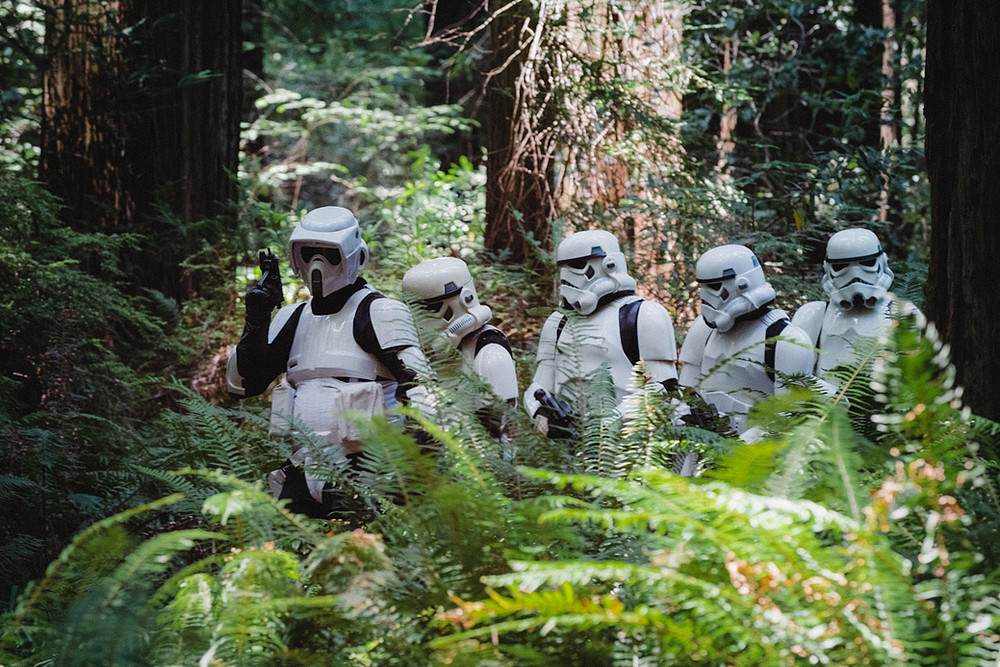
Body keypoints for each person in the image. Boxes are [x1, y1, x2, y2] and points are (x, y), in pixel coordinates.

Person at [227, 206, 431, 517]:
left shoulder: (379, 312)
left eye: (328, 254)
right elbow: (243, 384)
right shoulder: (293, 317)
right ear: (296, 258)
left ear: (356, 257)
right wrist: (257, 321)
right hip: (301, 467)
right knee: (287, 546)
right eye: (309, 253)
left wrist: (415, 464)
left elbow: (422, 388)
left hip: (370, 469)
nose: (317, 264)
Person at [523, 229, 679, 438]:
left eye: (577, 265)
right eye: (563, 268)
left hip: (628, 448)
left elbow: (663, 389)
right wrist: (541, 413)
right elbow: (539, 387)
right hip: (567, 449)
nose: (567, 277)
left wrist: (608, 425)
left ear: (609, 265)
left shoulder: (644, 315)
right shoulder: (558, 322)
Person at [678, 244, 816, 437]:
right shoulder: (703, 330)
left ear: (743, 284)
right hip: (704, 447)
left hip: (758, 452)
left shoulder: (787, 341)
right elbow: (684, 394)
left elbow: (789, 417)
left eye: (714, 286)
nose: (705, 297)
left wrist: (743, 446)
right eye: (703, 287)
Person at [401, 257, 519, 407]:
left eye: (430, 309)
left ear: (465, 298)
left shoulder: (490, 352)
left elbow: (502, 417)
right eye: (416, 310)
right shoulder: (421, 354)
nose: (421, 319)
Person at [792, 228, 905, 375]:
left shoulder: (902, 314)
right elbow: (794, 378)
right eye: (841, 266)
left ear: (882, 263)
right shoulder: (813, 316)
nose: (855, 275)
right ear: (828, 269)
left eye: (867, 263)